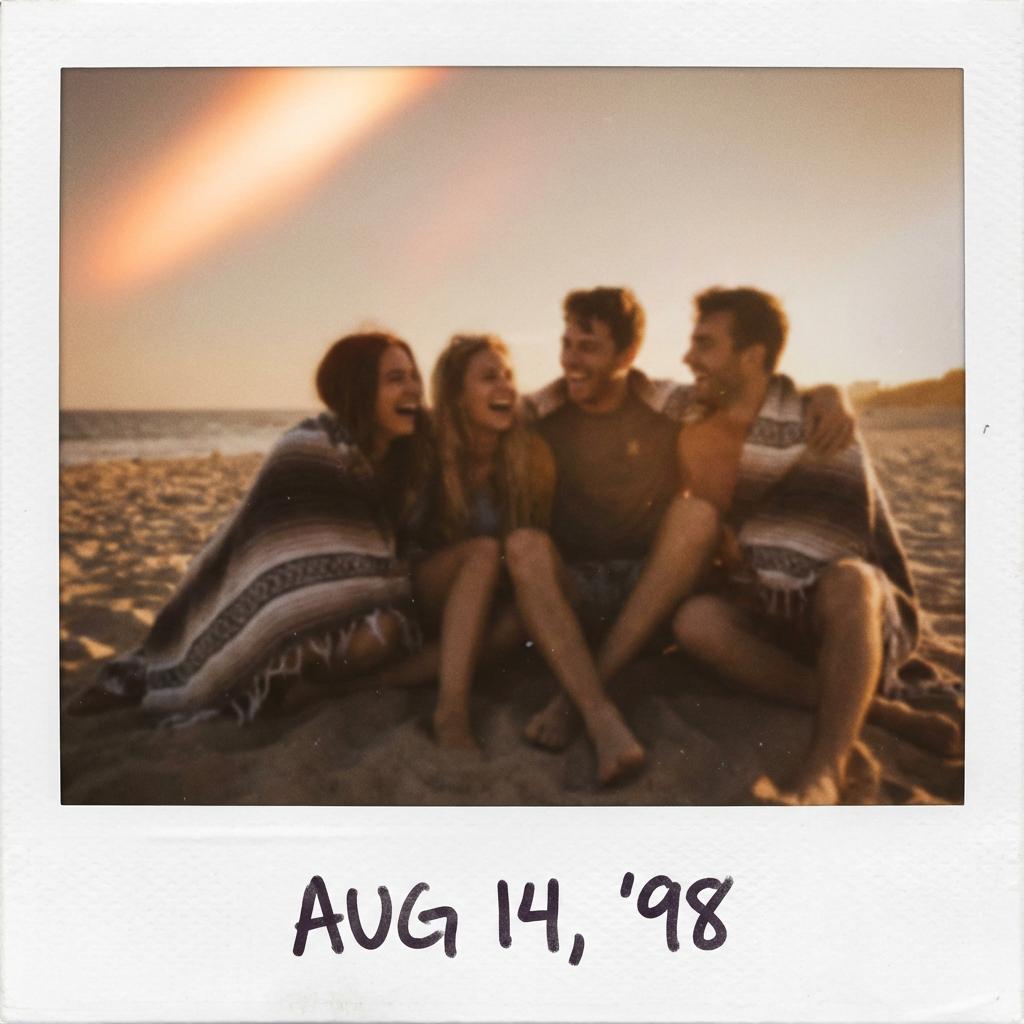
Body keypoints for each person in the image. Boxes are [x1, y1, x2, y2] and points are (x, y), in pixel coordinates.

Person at [505, 287, 856, 785]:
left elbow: (752, 390)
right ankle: (602, 717)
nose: (571, 360)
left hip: (651, 594)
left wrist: (828, 394)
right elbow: (476, 409)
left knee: (695, 515)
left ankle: (576, 702)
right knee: (523, 545)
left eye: (587, 347)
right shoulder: (542, 411)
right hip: (577, 590)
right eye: (566, 345)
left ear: (627, 354)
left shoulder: (671, 405)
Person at [667, 287, 958, 803]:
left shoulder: (817, 421)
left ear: (752, 355)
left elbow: (849, 532)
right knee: (694, 623)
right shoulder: (692, 422)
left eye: (705, 344)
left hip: (829, 600)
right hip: (758, 600)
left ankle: (825, 771)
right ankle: (879, 709)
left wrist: (831, 394)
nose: (689, 357)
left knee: (853, 579)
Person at [67, 332, 431, 723]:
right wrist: (383, 584)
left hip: (339, 609)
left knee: (386, 633)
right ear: (358, 389)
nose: (413, 388)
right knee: (379, 635)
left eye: (413, 375)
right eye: (395, 379)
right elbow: (274, 556)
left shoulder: (408, 458)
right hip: (249, 605)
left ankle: (298, 680)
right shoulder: (308, 448)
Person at [376, 334, 555, 751]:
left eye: (509, 376)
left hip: (480, 603)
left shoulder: (528, 456)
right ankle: (451, 713)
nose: (505, 387)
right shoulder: (424, 449)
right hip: (423, 590)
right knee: (483, 552)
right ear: (456, 395)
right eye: (489, 378)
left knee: (518, 619)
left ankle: (375, 682)